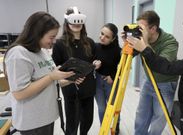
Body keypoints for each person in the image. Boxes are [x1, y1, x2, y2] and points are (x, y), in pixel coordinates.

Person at [3, 11, 82, 135]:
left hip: (46, 117)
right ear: (37, 33)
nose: (54, 41)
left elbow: (50, 83)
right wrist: (51, 76)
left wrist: (69, 79)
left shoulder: (42, 51)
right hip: (32, 122)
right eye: (51, 37)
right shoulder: (18, 54)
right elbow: (19, 93)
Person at [52, 7, 101, 135]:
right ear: (67, 23)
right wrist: (68, 78)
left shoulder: (89, 42)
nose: (76, 24)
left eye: (79, 21)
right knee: (72, 124)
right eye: (73, 21)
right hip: (71, 90)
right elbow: (55, 68)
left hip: (88, 88)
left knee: (87, 121)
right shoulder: (59, 44)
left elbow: (94, 60)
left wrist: (97, 63)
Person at [132, 10, 179, 135]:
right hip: (148, 80)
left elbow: (163, 65)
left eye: (141, 28)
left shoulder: (170, 42)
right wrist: (128, 43)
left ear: (153, 29)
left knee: (159, 117)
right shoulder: (141, 39)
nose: (139, 31)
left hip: (166, 83)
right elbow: (126, 56)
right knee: (141, 114)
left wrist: (145, 44)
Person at [94, 23, 121, 134]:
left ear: (113, 38)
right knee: (102, 108)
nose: (102, 37)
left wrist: (113, 77)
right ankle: (104, 128)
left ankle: (116, 125)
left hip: (112, 82)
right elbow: (91, 60)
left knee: (113, 106)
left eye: (107, 36)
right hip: (97, 81)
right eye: (102, 34)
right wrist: (94, 63)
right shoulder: (95, 47)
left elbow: (123, 67)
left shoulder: (118, 51)